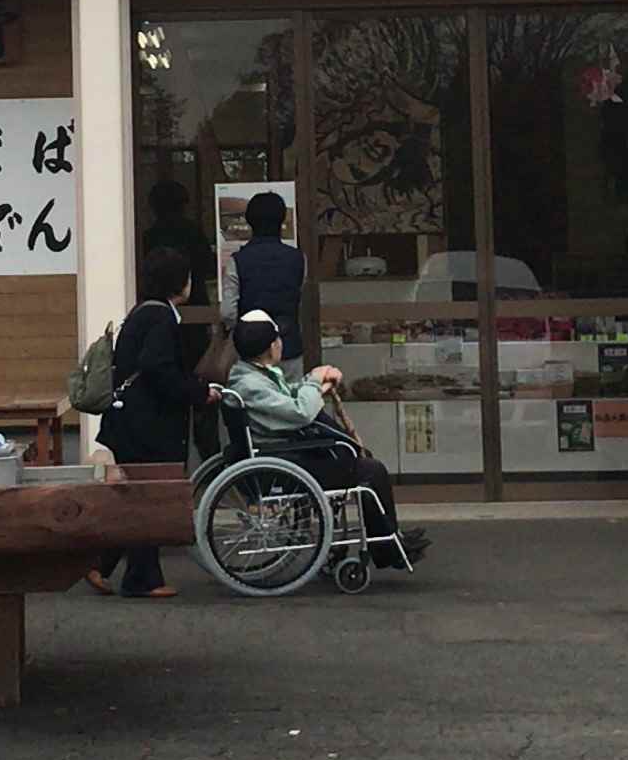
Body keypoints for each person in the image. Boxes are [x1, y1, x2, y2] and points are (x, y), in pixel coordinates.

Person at [218, 312, 429, 567]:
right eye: (278, 340)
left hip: (282, 456)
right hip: (282, 463)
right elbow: (300, 412)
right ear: (271, 346)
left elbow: (289, 399)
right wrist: (316, 381)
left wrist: (314, 380)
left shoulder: (251, 376)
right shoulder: (251, 384)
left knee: (365, 464)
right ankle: (387, 547)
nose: (281, 344)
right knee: (371, 471)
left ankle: (390, 538)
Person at [88, 248, 216, 598]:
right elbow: (159, 368)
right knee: (147, 497)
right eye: (187, 277)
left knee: (136, 498)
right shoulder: (161, 317)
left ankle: (101, 563)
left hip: (127, 419)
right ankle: (142, 579)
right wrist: (197, 392)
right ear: (179, 282)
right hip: (145, 423)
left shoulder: (142, 313)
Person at [223, 192, 307, 371]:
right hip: (289, 347)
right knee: (291, 397)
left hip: (250, 353)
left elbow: (228, 312)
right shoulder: (298, 259)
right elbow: (299, 296)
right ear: (282, 219)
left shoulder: (237, 261)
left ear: (249, 221)